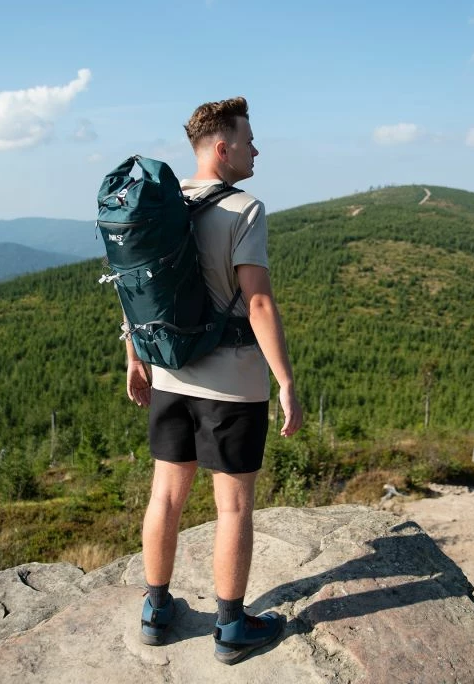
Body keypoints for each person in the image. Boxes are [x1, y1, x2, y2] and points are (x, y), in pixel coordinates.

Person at [125, 96, 303, 665]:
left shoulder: (160, 206)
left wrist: (134, 357)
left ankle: (156, 612)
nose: (257, 149)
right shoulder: (246, 209)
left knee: (165, 496)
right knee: (232, 508)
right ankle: (231, 628)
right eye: (249, 140)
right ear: (222, 148)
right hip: (231, 386)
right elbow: (257, 302)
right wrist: (287, 382)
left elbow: (137, 285)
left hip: (170, 374)